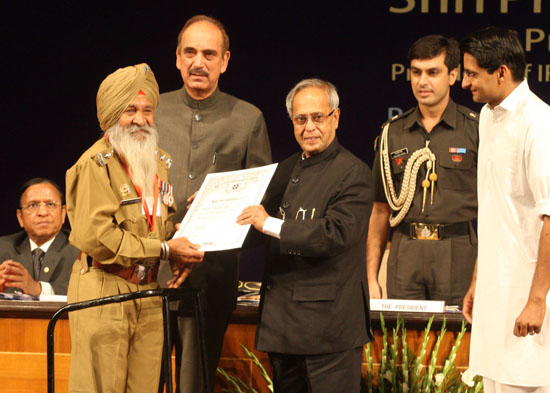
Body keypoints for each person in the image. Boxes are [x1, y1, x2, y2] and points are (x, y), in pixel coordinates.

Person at [65, 63, 205, 393]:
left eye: (147, 110)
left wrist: (188, 229)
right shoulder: (94, 164)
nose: (140, 120)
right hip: (104, 287)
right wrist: (167, 250)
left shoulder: (156, 163)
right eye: (130, 110)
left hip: (150, 292)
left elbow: (160, 227)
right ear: (110, 116)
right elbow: (99, 237)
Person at [155, 15, 272, 393]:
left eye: (209, 53)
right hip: (150, 267)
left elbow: (259, 202)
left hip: (212, 275)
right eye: (190, 52)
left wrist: (224, 203)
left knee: (194, 382)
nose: (198, 62)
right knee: (144, 378)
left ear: (225, 61)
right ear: (176, 58)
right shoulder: (150, 112)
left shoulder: (248, 118)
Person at [237, 78, 372, 393]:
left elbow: (333, 234)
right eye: (300, 119)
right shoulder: (284, 169)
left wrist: (269, 223)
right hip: (283, 328)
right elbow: (251, 226)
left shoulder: (354, 173)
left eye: (317, 117)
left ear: (335, 118)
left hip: (329, 332)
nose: (309, 127)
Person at [461, 27, 550, 393]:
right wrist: (478, 278)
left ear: (501, 72)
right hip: (494, 299)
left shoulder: (539, 123)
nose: (464, 82)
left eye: (471, 73)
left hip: (526, 303)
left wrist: (536, 300)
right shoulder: (487, 116)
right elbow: (497, 208)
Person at [367, 35, 479, 307]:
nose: (422, 81)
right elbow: (381, 209)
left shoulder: (476, 129)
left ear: (453, 75)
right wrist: (370, 276)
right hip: (405, 250)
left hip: (458, 250)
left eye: (433, 72)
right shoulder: (392, 133)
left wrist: (479, 277)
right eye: (416, 72)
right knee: (402, 342)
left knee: (458, 342)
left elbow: (495, 212)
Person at [0, 178, 78, 296]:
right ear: (20, 217)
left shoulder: (79, 249)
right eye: (33, 205)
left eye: (50, 204)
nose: (43, 212)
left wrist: (39, 289)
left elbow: (88, 293)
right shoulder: (3, 249)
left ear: (63, 213)